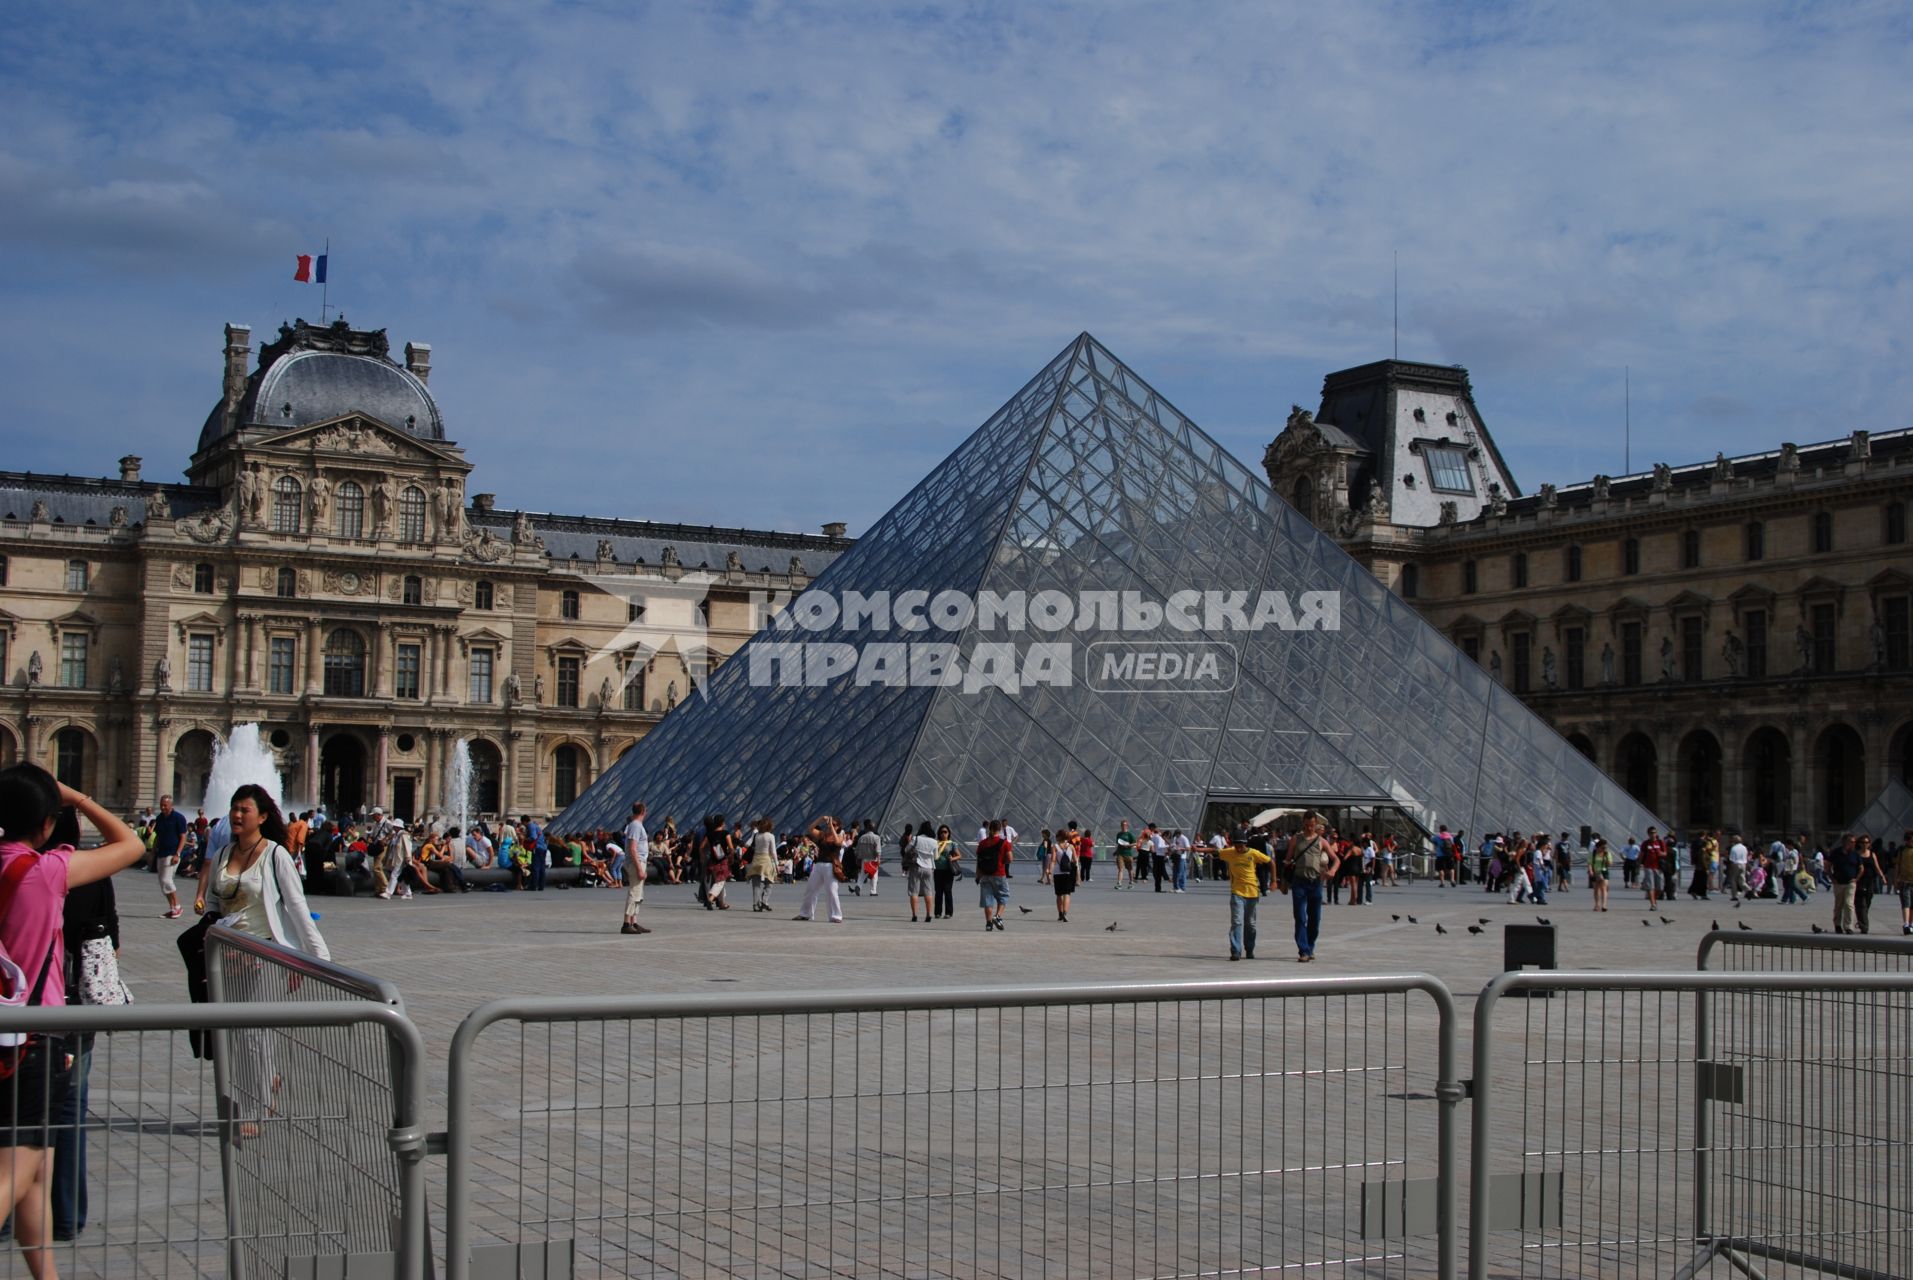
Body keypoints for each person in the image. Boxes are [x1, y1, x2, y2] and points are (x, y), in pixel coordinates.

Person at [0, 765, 144, 1276]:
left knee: (37, 1171)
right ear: (46, 823)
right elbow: (130, 844)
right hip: (36, 1038)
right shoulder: (47, 871)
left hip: (2, 1032)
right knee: (20, 1167)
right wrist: (77, 797)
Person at [1282, 812, 1338, 963]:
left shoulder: (1321, 841)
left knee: (1315, 919)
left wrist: (1332, 870)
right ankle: (1303, 951)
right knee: (1300, 917)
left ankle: (1310, 946)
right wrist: (1284, 881)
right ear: (1303, 823)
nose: (1309, 828)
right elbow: (1287, 860)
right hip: (1299, 882)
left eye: (1312, 825)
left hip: (1315, 883)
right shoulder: (1296, 839)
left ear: (1316, 824)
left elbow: (1336, 859)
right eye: (1306, 825)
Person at [1216, 836, 1272, 961]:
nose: (1238, 849)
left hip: (1252, 893)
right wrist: (1196, 849)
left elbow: (1270, 862)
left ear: (1245, 844)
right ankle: (1236, 950)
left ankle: (1250, 948)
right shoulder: (1230, 853)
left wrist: (1274, 881)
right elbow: (1215, 851)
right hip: (1237, 892)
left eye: (1240, 846)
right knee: (1237, 922)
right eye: (1236, 846)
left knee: (1250, 924)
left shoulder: (1253, 853)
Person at [794, 816, 847, 924]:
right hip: (818, 865)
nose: (831, 825)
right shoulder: (822, 835)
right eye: (830, 824)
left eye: (835, 824)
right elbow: (810, 829)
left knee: (831, 891)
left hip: (830, 866)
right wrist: (821, 819)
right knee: (811, 890)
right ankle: (805, 913)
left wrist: (831, 826)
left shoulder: (841, 836)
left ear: (838, 827)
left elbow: (837, 842)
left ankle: (836, 916)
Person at [152, 794, 189, 919]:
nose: (163, 807)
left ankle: (177, 906)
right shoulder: (160, 818)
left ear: (171, 805)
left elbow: (183, 837)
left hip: (172, 853)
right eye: (161, 805)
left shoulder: (178, 818)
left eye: (165, 805)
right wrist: (153, 852)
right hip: (161, 852)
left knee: (167, 880)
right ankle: (172, 908)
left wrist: (178, 854)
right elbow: (157, 836)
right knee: (163, 882)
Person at [975, 820, 1013, 932]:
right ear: (1000, 829)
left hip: (985, 875)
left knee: (988, 900)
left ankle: (988, 923)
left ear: (989, 829)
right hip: (999, 873)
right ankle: (998, 916)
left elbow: (979, 860)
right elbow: (1010, 858)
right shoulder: (1004, 843)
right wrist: (1002, 862)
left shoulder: (982, 843)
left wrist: (978, 875)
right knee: (1004, 896)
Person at [904, 822, 937, 923]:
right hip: (929, 868)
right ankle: (928, 915)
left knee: (914, 891)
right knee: (928, 891)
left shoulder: (916, 839)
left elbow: (906, 850)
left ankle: (915, 915)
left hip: (916, 866)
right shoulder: (934, 841)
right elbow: (935, 857)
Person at [746, 818, 778, 913]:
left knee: (756, 884)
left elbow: (749, 845)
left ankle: (756, 905)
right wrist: (776, 863)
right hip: (766, 860)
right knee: (770, 881)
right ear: (769, 826)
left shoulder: (757, 836)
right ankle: (764, 900)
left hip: (756, 859)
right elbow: (773, 851)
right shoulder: (770, 836)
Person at [1045, 826, 1077, 922]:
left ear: (1059, 837)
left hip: (1058, 873)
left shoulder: (1055, 847)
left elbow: (1053, 860)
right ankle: (1065, 913)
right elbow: (1075, 860)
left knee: (1059, 895)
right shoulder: (1071, 846)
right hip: (1068, 873)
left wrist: (1049, 871)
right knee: (1067, 894)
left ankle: (1060, 914)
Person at [931, 825, 960, 920]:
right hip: (937, 870)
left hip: (948, 871)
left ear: (948, 833)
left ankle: (948, 912)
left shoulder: (952, 844)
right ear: (939, 833)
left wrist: (952, 858)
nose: (943, 834)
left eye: (945, 832)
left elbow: (959, 855)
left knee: (947, 891)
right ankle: (937, 912)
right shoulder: (935, 843)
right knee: (938, 892)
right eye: (941, 832)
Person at [1639, 828, 1666, 911]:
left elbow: (1665, 853)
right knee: (1651, 886)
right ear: (1648, 834)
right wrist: (1639, 863)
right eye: (1651, 833)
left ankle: (1654, 900)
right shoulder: (1645, 843)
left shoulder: (1660, 842)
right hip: (1648, 866)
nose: (1652, 834)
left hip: (1658, 867)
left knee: (1660, 887)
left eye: (1654, 833)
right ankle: (1653, 904)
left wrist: (1660, 853)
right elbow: (1642, 854)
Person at [854, 821, 882, 897]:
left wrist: (858, 858)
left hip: (864, 859)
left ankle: (858, 886)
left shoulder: (862, 837)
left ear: (867, 828)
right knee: (874, 875)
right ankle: (873, 891)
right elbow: (878, 850)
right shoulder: (876, 838)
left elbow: (857, 850)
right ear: (873, 829)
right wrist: (878, 859)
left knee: (863, 874)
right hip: (873, 859)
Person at [1588, 838, 1611, 912]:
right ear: (1598, 847)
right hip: (1595, 872)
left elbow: (1609, 864)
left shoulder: (1607, 854)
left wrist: (1606, 857)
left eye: (1605, 847)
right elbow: (1590, 863)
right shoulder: (1593, 854)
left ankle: (1604, 905)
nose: (1604, 849)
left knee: (1604, 888)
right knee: (1596, 889)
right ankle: (1597, 904)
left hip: (1604, 871)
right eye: (1603, 847)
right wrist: (1591, 870)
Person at [1113, 821, 1136, 889]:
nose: (1123, 826)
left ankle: (1131, 882)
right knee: (1120, 869)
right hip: (1120, 854)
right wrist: (1116, 852)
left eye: (1125, 825)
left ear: (1127, 826)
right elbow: (1118, 844)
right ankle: (1119, 883)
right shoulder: (1119, 834)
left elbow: (1135, 843)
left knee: (1130, 869)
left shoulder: (1129, 834)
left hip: (1128, 854)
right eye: (1122, 825)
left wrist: (1128, 845)